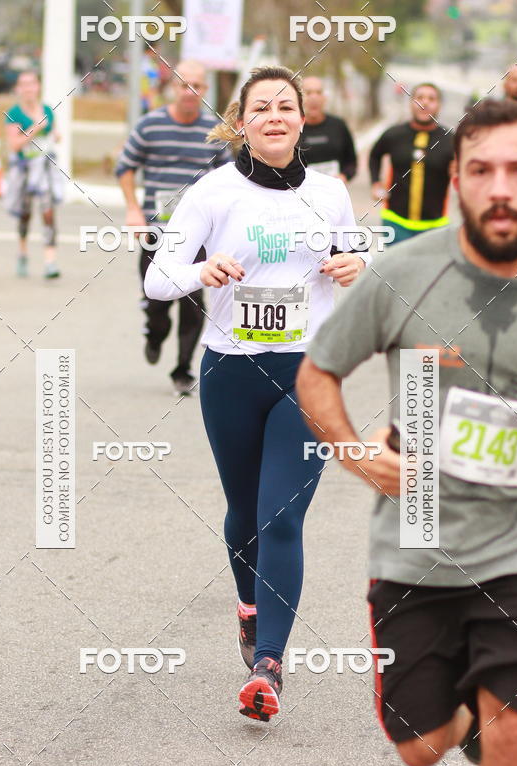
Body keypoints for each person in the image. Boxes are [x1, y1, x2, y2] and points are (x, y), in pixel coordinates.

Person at [297, 99, 517, 766]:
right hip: (419, 542)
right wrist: (356, 453)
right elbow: (318, 373)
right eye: (483, 170)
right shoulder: (404, 273)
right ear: (455, 179)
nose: (501, 188)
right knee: (422, 747)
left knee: (515, 737)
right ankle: (467, 710)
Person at [144, 65, 367, 720]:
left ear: (302, 119)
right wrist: (200, 269)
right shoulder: (213, 192)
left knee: (281, 517)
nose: (274, 115)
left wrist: (358, 263)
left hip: (310, 373)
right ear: (242, 122)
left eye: (285, 106)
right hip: (232, 373)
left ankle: (268, 665)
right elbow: (158, 277)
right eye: (261, 107)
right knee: (244, 515)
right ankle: (249, 606)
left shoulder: (329, 193)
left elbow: (363, 257)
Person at [115, 60, 232, 396]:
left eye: (197, 85)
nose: (190, 91)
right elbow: (125, 167)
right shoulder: (150, 125)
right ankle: (155, 333)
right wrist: (133, 209)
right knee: (156, 301)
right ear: (173, 87)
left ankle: (182, 370)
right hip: (157, 232)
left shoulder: (214, 131)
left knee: (193, 303)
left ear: (205, 90)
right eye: (184, 84)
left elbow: (228, 179)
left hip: (198, 236)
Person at [369, 83, 454, 243]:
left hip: (435, 226)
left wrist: (458, 173)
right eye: (419, 98)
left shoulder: (450, 140)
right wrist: (375, 183)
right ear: (411, 103)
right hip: (395, 222)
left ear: (439, 105)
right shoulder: (394, 134)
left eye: (431, 99)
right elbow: (374, 156)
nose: (425, 103)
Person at [4, 70, 63, 278]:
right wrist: (36, 128)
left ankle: (50, 261)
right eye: (24, 84)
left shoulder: (47, 110)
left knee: (48, 211)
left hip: (45, 167)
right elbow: (14, 144)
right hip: (25, 169)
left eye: (32, 83)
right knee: (25, 212)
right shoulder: (14, 113)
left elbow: (54, 133)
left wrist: (55, 134)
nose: (28, 88)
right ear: (18, 89)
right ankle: (22, 253)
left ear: (38, 86)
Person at [300, 76, 357, 181]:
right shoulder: (293, 128)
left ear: (324, 97)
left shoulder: (338, 125)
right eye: (308, 93)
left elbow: (351, 161)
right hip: (302, 188)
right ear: (299, 98)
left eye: (319, 92)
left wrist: (344, 176)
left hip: (334, 187)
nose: (314, 98)